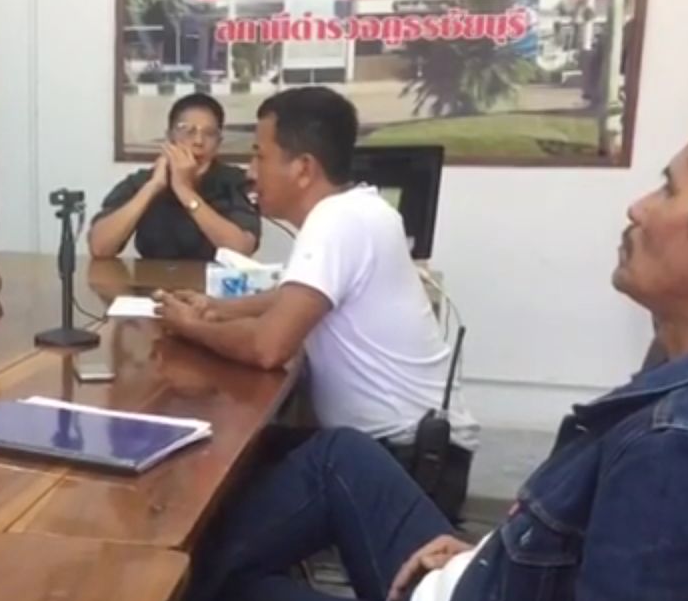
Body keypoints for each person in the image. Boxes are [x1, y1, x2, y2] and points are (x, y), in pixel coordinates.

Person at [178, 77, 688, 601]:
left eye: (668, 187)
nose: (638, 207)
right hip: (488, 578)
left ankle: (177, 584)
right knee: (335, 457)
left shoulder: (685, 449)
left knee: (219, 597)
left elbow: (269, 345)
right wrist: (491, 552)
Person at [155, 87, 480, 519]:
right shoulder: (359, 208)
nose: (251, 172)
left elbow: (268, 348)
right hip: (404, 450)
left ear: (303, 168)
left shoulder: (335, 221)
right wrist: (218, 308)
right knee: (234, 458)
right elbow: (295, 295)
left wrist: (189, 326)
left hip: (405, 463)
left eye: (260, 156)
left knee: (217, 502)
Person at [89, 93, 259, 260]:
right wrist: (153, 187)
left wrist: (184, 190)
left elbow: (241, 250)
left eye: (209, 133)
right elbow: (100, 248)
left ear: (218, 142)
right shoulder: (144, 181)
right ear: (170, 137)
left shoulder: (236, 182)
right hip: (152, 279)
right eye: (188, 131)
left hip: (216, 279)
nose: (198, 141)